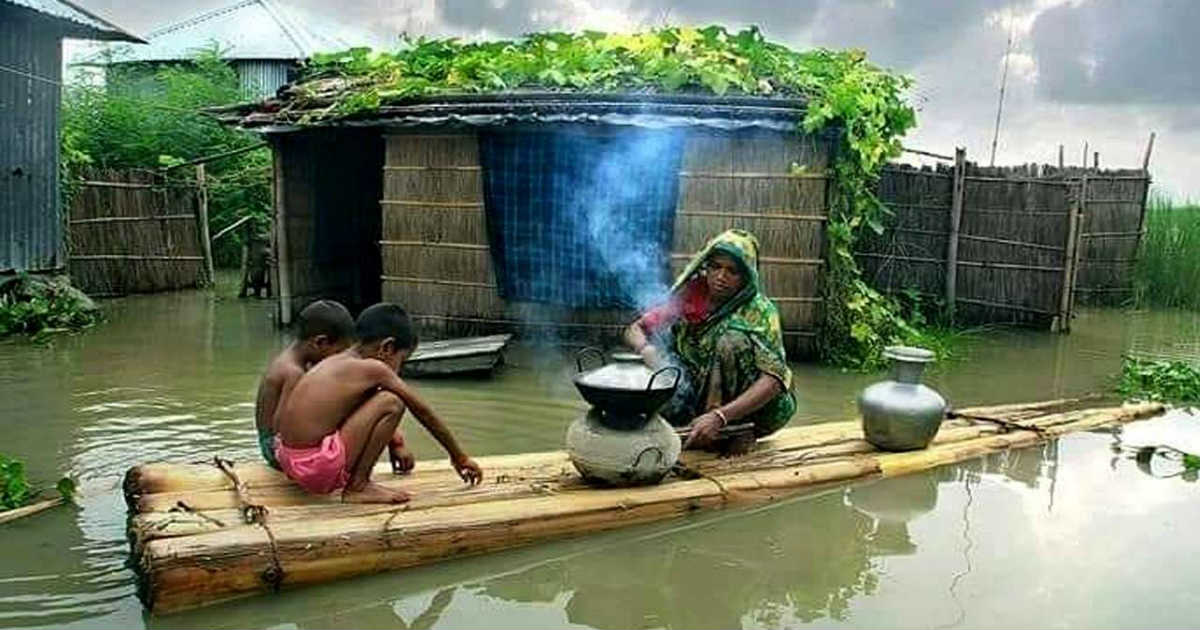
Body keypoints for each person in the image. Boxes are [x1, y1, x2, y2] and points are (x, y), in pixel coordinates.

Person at [275, 303, 483, 504]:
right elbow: (422, 411)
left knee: (379, 400)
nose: (399, 369)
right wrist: (459, 457)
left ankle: (357, 482)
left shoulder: (336, 361)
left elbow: (356, 411)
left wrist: (396, 444)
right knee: (393, 402)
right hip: (315, 469)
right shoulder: (374, 369)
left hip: (289, 461)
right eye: (402, 360)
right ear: (387, 347)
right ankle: (359, 486)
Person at [624, 229, 796, 450]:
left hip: (747, 412)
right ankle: (693, 423)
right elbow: (634, 329)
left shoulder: (759, 311)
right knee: (665, 344)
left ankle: (735, 430)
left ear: (746, 275)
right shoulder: (690, 296)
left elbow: (773, 380)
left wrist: (720, 416)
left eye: (732, 271)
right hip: (696, 396)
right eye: (715, 267)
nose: (721, 277)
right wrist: (646, 350)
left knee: (730, 340)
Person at [254, 299, 358, 471]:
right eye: (339, 352)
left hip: (269, 443)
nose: (340, 359)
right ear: (320, 343)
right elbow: (283, 427)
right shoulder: (294, 373)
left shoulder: (288, 359)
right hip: (276, 450)